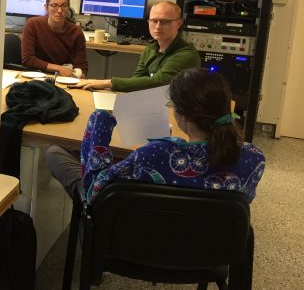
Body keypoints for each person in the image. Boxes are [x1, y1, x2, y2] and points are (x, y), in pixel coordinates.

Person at [48, 68, 265, 202]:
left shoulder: (154, 155)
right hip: (209, 250)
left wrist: (100, 123)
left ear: (182, 115)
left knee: (55, 153)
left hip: (138, 244)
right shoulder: (254, 158)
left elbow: (94, 189)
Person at [76, 1, 200, 92]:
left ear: (178, 23)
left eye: (165, 22)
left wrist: (106, 83)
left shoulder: (186, 55)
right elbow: (137, 80)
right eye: (154, 21)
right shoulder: (151, 48)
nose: (157, 27)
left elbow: (157, 82)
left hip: (176, 111)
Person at [21, 0, 88, 77]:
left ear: (68, 8)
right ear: (46, 7)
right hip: (37, 76)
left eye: (64, 6)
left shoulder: (76, 32)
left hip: (64, 79)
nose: (59, 10)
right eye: (54, 5)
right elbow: (28, 59)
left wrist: (78, 75)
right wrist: (58, 68)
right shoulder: (33, 25)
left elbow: (82, 67)